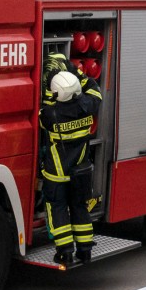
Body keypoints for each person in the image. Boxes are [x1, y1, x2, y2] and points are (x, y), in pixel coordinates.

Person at [39, 50, 103, 265]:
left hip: (57, 175)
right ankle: (85, 250)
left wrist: (49, 80)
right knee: (79, 207)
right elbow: (95, 90)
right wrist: (75, 72)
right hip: (79, 171)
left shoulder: (51, 115)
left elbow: (44, 105)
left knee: (57, 210)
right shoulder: (87, 106)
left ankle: (64, 252)